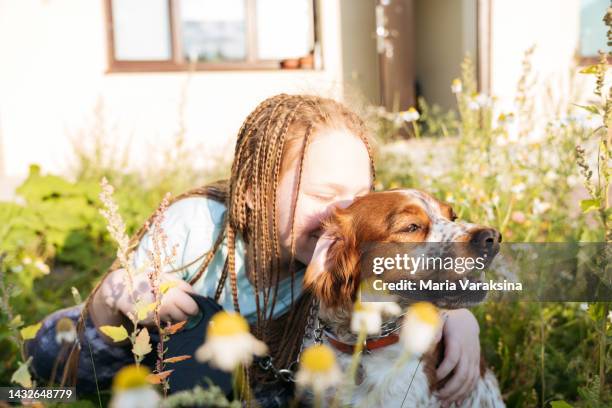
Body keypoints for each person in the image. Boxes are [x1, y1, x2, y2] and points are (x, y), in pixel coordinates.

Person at [27, 94, 481, 406]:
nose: (343, 211)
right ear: (252, 194)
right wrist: (123, 293)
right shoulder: (195, 225)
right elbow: (124, 290)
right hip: (131, 348)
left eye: (360, 196)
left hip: (226, 367)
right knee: (52, 367)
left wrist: (457, 314)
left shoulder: (336, 258)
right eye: (323, 194)